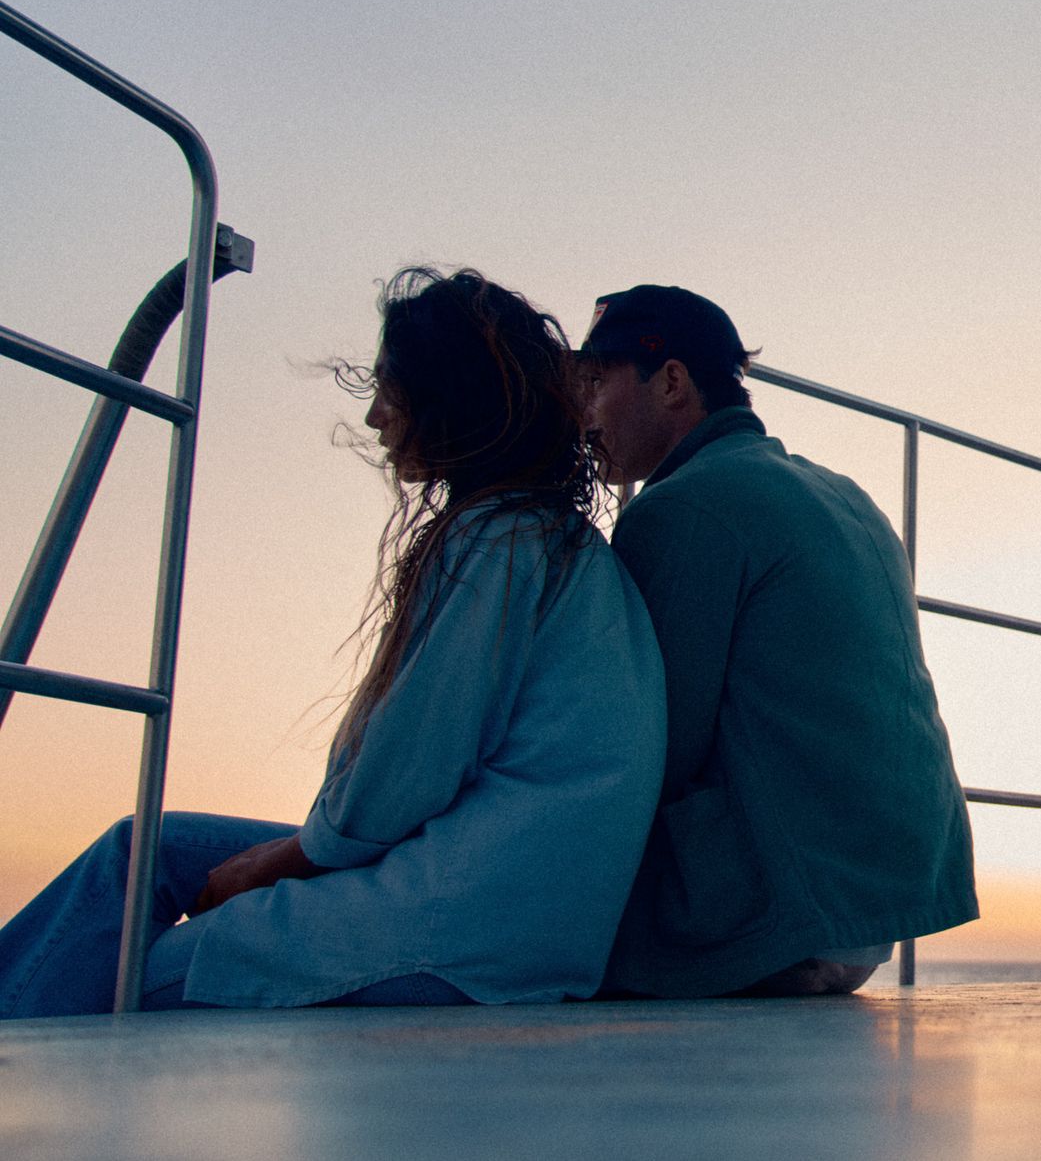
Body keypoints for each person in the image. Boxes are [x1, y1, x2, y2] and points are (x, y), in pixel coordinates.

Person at [0, 268, 666, 1016]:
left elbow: (410, 768)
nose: (378, 417)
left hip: (457, 933)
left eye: (391, 389)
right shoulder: (553, 542)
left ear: (447, 396)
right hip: (510, 905)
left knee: (118, 969)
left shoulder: (500, 542)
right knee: (140, 849)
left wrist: (272, 868)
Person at [577, 285, 977, 998]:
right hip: (870, 913)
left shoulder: (681, 508)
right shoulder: (846, 495)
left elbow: (650, 750)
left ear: (671, 382)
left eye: (597, 382)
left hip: (766, 921)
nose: (585, 413)